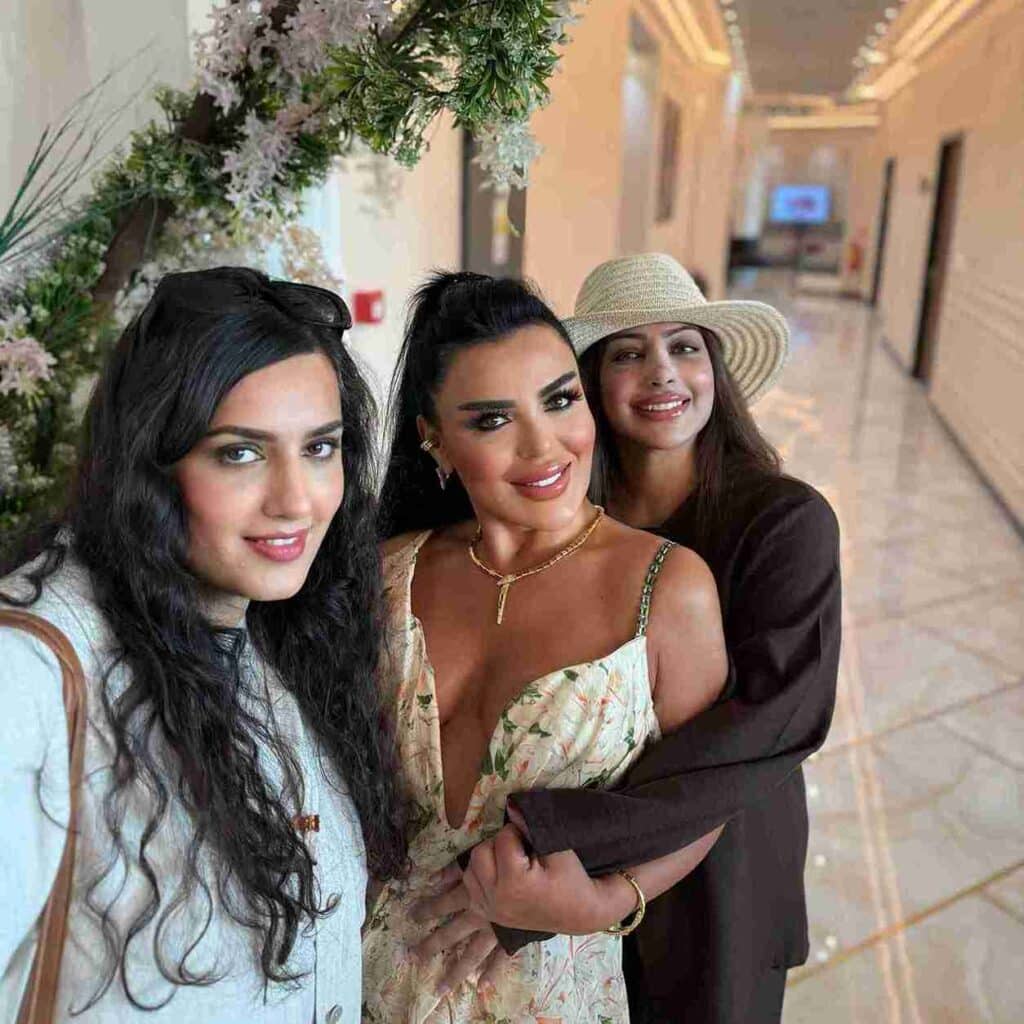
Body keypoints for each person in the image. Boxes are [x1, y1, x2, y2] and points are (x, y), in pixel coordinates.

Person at [430, 253, 840, 1023]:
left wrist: (567, 847)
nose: (662, 374)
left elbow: (773, 724)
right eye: (627, 354)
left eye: (685, 346)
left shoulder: (784, 522)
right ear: (584, 385)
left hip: (723, 864)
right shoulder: (564, 514)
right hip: (555, 886)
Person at [0, 268, 406, 1023]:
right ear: (150, 462)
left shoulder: (272, 639)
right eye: (240, 453)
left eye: (320, 448)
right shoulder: (27, 674)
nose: (297, 499)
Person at [363, 271, 728, 1023]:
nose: (544, 446)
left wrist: (605, 901)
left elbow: (703, 797)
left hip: (549, 998)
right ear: (434, 437)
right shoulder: (382, 575)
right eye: (493, 420)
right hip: (355, 984)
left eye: (560, 400)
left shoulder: (669, 589)